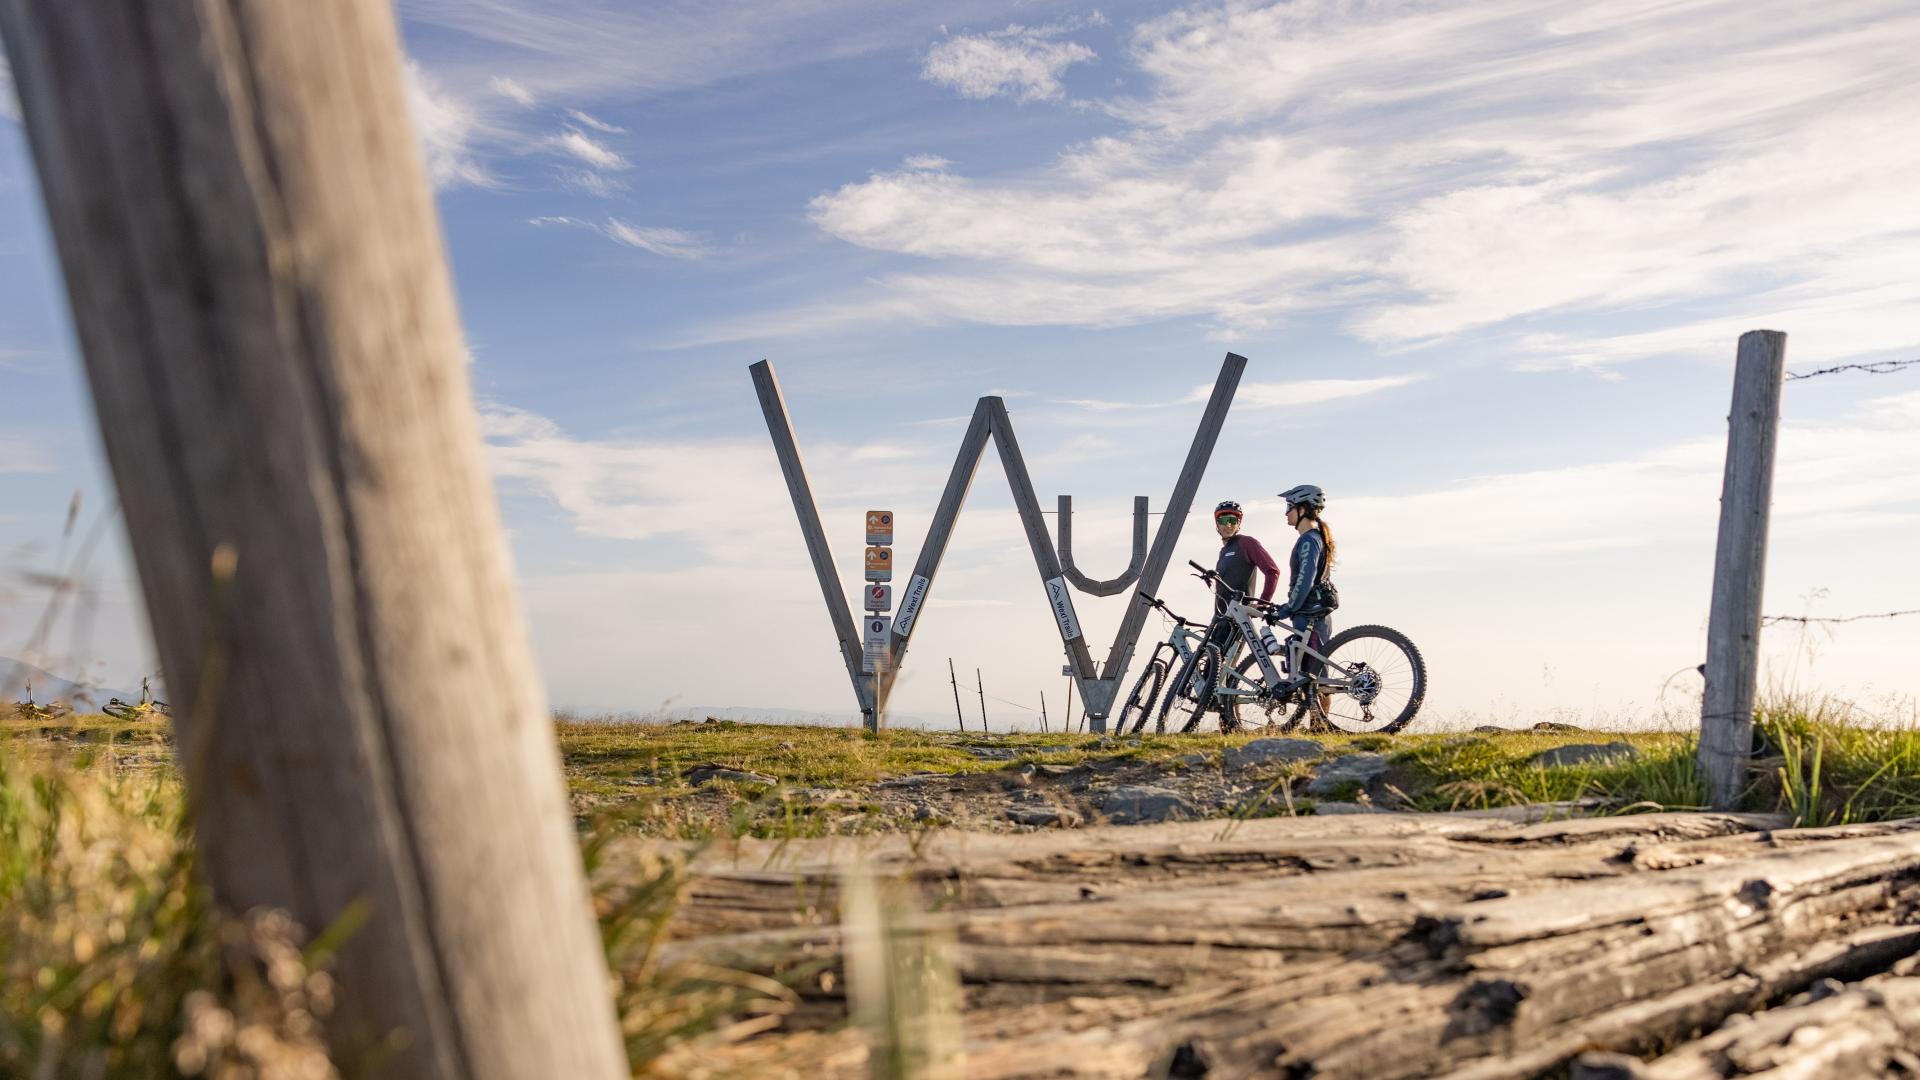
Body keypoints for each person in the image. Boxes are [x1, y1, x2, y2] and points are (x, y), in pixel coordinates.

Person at [1209, 500, 1280, 728]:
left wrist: (1262, 604)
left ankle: (1232, 723)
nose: (1228, 525)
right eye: (1223, 520)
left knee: (1229, 671)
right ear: (1216, 524)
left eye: (1233, 520)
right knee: (1215, 669)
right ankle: (1228, 722)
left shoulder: (1246, 543)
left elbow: (1272, 571)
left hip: (1238, 620)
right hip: (1220, 618)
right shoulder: (1224, 551)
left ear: (1239, 523)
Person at [1270, 484, 1337, 685]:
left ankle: (1320, 718)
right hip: (1309, 614)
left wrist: (1288, 608)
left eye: (1288, 507)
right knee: (1309, 676)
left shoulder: (1309, 540)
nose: (1286, 513)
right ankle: (1316, 717)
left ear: (1302, 509)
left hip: (1311, 616)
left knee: (1317, 678)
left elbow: (1305, 579)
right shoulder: (1313, 538)